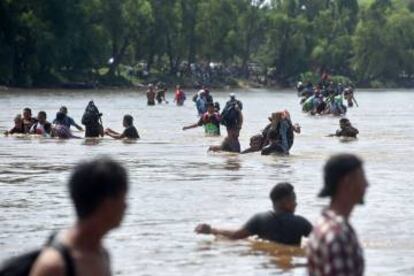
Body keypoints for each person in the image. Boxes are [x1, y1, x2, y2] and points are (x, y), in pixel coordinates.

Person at [30, 158, 129, 276]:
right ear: (107, 204)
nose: (125, 206)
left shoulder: (101, 253)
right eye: (122, 198)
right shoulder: (54, 266)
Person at [307, 154, 368, 276]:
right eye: (362, 177)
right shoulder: (337, 236)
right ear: (347, 182)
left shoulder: (323, 223)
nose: (366, 184)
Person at [195, 183, 312, 246]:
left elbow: (236, 235)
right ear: (285, 202)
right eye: (294, 200)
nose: (296, 203)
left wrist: (211, 230)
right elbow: (322, 241)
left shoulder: (261, 219)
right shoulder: (301, 222)